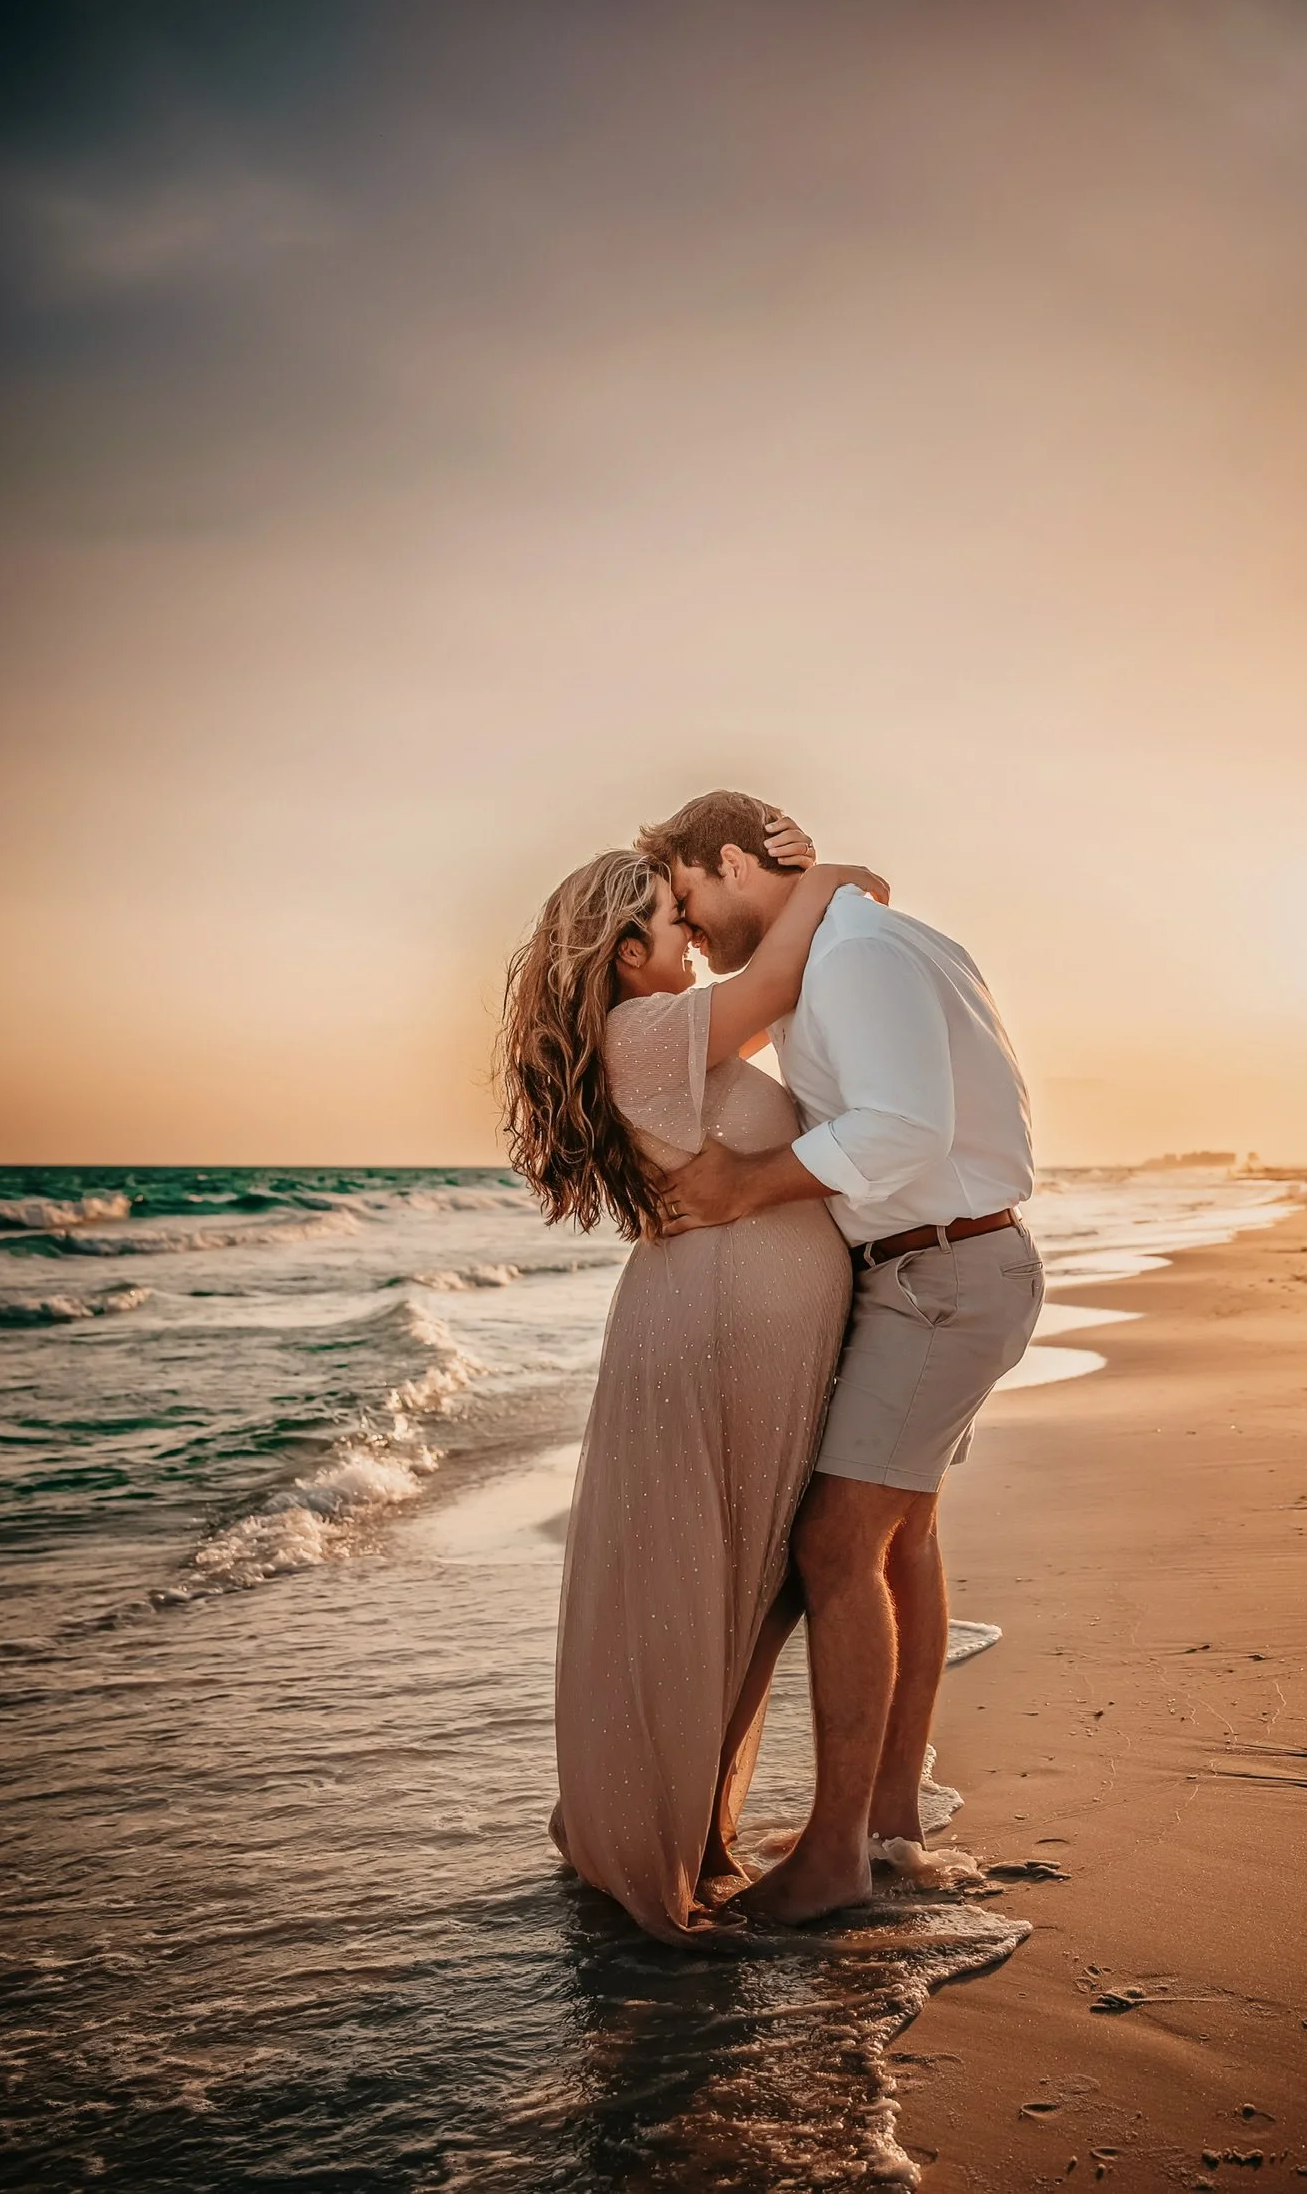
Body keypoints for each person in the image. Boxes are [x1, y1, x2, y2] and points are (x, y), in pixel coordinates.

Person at [635, 790, 1043, 1925]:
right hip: (945, 1269)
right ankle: (888, 1822)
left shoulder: (854, 955)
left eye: (686, 899)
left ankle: (835, 1855)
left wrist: (741, 1186)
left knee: (836, 1537)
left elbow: (903, 1125)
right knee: (901, 1533)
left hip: (940, 1278)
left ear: (726, 862)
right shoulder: (851, 941)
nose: (691, 929)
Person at [498, 825, 888, 1943]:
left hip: (726, 1324)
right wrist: (821, 874)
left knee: (745, 1578)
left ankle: (697, 1826)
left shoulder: (663, 1036)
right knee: (718, 1577)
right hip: (721, 1332)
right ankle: (668, 1838)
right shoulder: (649, 1028)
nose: (693, 939)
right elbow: (778, 972)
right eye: (676, 920)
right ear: (627, 952)